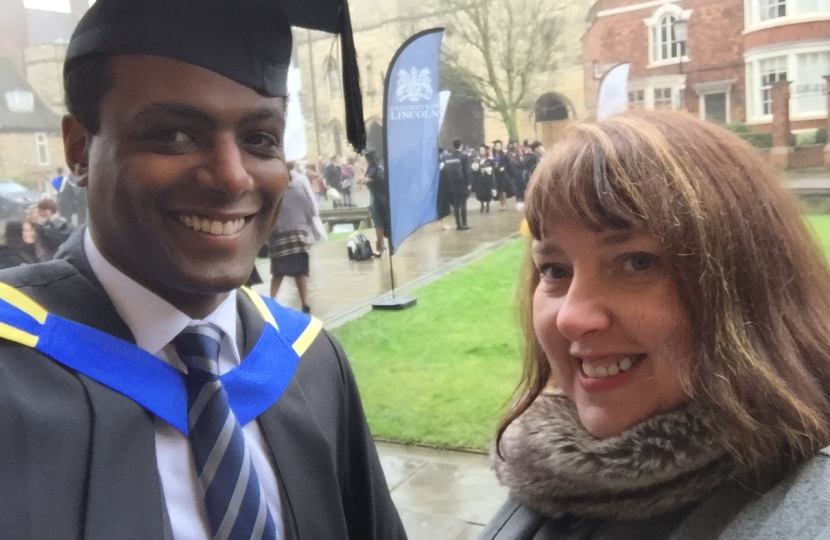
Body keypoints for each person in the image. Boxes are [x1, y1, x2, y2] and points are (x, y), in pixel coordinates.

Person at [0, 1, 408, 539]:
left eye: (260, 139)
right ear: (79, 150)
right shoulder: (13, 369)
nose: (232, 178)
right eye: (172, 135)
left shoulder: (310, 363)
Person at [481, 110, 830, 539]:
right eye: (554, 270)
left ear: (749, 284)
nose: (572, 318)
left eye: (637, 262)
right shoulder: (549, 469)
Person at [268, 163, 322, 313]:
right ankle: (304, 302)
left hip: (279, 234)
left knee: (278, 272)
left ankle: (272, 301)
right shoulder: (299, 185)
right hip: (299, 233)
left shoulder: (275, 187)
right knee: (300, 272)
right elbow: (310, 207)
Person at [358, 149, 390, 255]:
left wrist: (363, 179)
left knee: (378, 222)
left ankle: (380, 245)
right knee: (381, 221)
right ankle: (381, 244)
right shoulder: (379, 166)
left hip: (377, 197)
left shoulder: (374, 168)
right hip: (383, 196)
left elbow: (368, 180)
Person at [443, 138, 471, 230]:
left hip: (453, 184)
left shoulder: (450, 157)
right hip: (462, 183)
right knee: (463, 204)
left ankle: (458, 225)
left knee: (456, 205)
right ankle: (464, 224)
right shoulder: (464, 156)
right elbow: (467, 171)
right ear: (461, 145)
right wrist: (469, 183)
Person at [471, 145, 495, 213]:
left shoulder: (489, 160)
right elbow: (474, 170)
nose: (482, 152)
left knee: (487, 192)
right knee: (480, 192)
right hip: (479, 179)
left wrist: (487, 170)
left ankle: (487, 204)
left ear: (486, 151)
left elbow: (493, 169)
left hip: (487, 179)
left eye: (483, 150)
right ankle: (482, 204)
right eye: (481, 150)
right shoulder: (477, 160)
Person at [492, 140, 514, 211]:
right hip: (496, 174)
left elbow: (508, 163)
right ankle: (501, 204)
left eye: (499, 146)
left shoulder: (504, 155)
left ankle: (504, 204)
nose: (498, 147)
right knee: (498, 190)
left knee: (503, 190)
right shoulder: (493, 156)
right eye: (497, 146)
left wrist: (504, 167)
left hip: (503, 174)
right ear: (494, 147)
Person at [436, 148, 453, 231]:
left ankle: (441, 222)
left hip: (441, 186)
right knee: (441, 204)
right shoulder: (440, 164)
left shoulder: (440, 163)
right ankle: (441, 222)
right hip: (441, 187)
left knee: (441, 204)